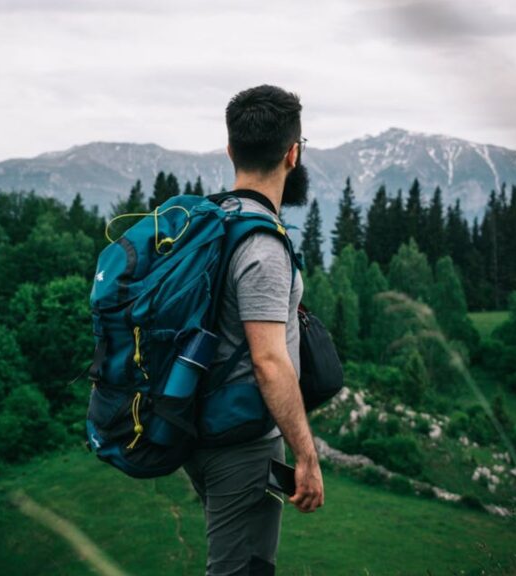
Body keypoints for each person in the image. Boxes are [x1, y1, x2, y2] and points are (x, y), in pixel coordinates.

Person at [184, 84, 324, 576]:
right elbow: (268, 362)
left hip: (203, 428)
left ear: (230, 150)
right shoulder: (262, 246)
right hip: (240, 442)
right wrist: (306, 456)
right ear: (293, 153)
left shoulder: (216, 220)